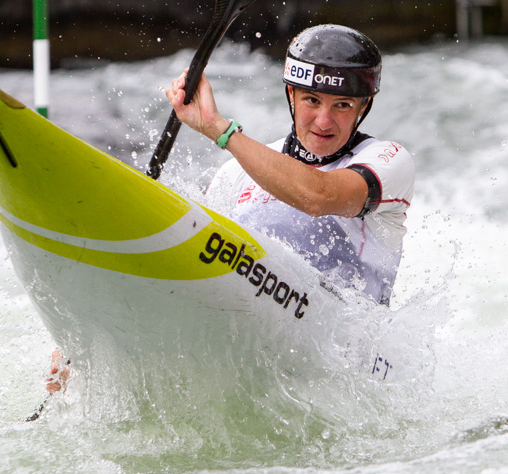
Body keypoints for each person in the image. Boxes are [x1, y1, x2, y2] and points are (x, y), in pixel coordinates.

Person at [166, 24, 415, 306]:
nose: (324, 121)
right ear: (290, 96)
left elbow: (319, 197)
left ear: (363, 107)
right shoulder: (236, 172)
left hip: (348, 345)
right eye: (312, 100)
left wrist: (219, 129)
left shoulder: (389, 161)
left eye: (342, 105)